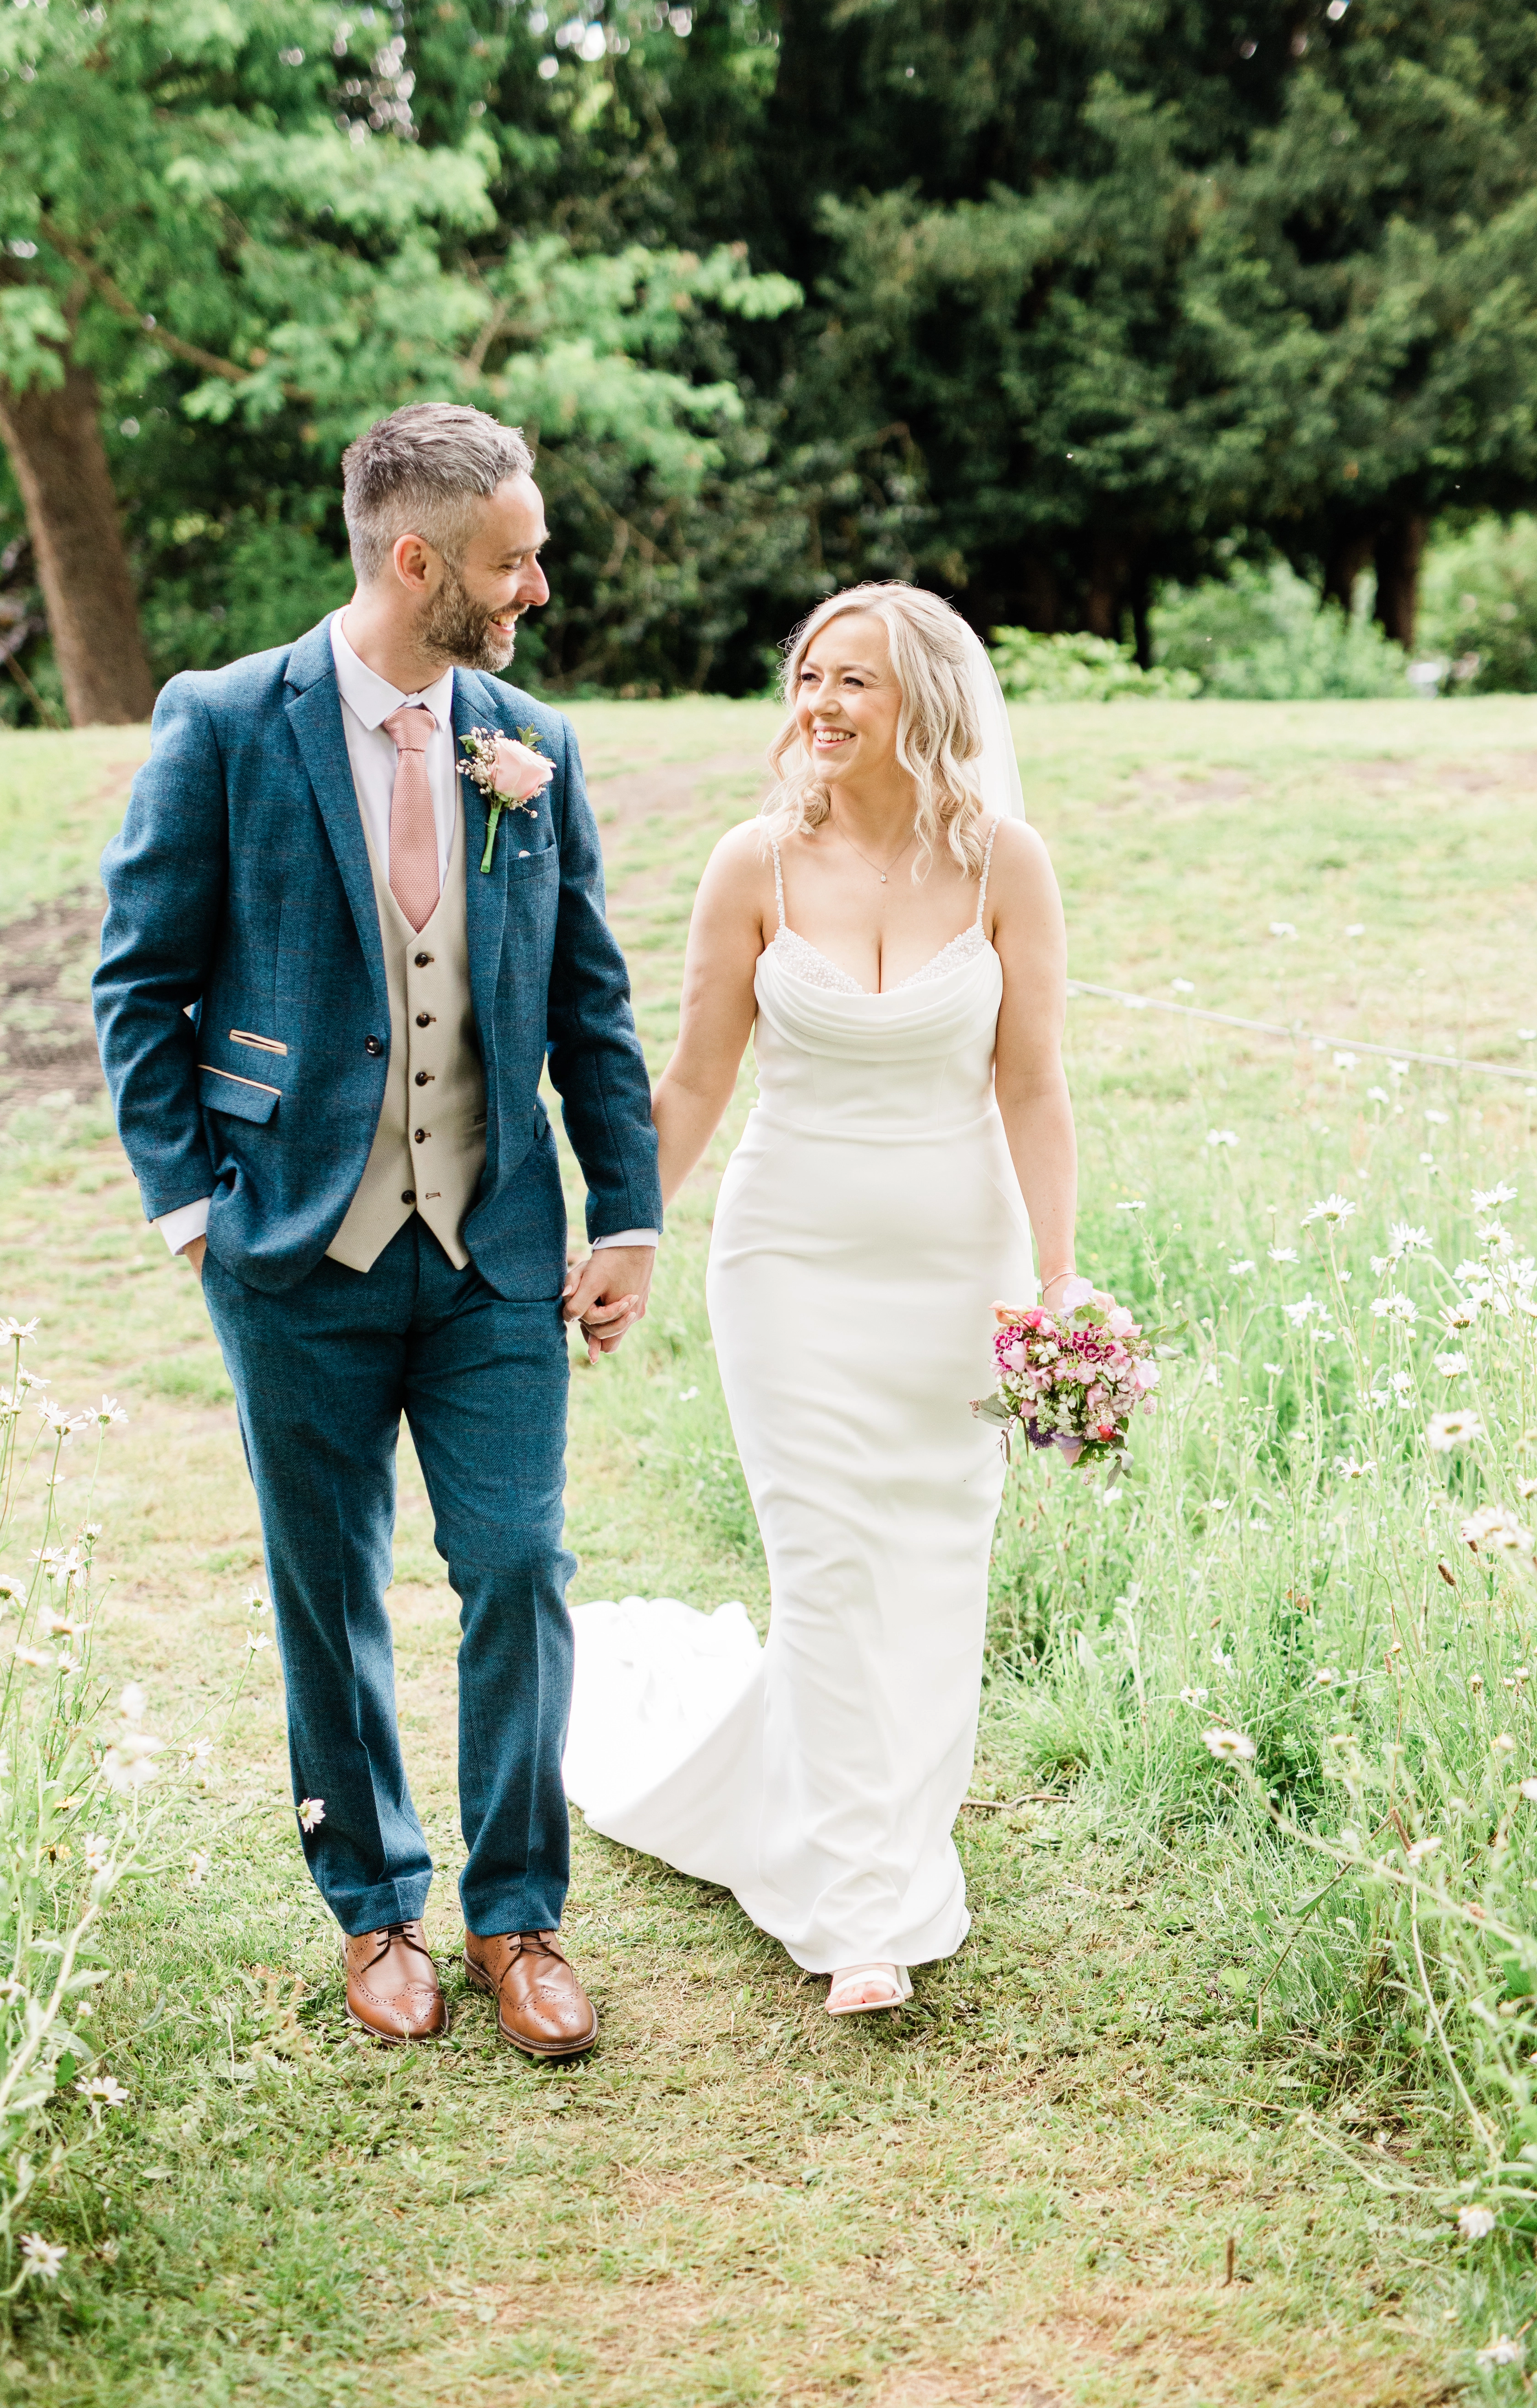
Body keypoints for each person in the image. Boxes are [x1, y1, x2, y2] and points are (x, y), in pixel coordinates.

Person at [94, 403, 661, 2056]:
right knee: (322, 1582)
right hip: (292, 1249)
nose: (538, 583)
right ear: (416, 563)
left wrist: (621, 1210)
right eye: (513, 558)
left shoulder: (527, 736)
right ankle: (372, 1909)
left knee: (519, 1565)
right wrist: (196, 1206)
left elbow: (588, 1001)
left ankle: (518, 1914)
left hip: (491, 1242)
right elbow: (139, 983)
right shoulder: (223, 724)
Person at [562, 582, 1077, 2014]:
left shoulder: (1003, 866)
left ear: (926, 701)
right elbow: (695, 1079)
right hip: (787, 1265)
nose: (821, 704)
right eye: (805, 676)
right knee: (827, 1561)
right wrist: (622, 1230)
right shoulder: (754, 867)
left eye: (855, 679)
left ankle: (882, 1834)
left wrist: (1056, 1278)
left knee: (931, 1562)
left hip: (951, 1272)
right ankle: (867, 1909)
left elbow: (1031, 1083)